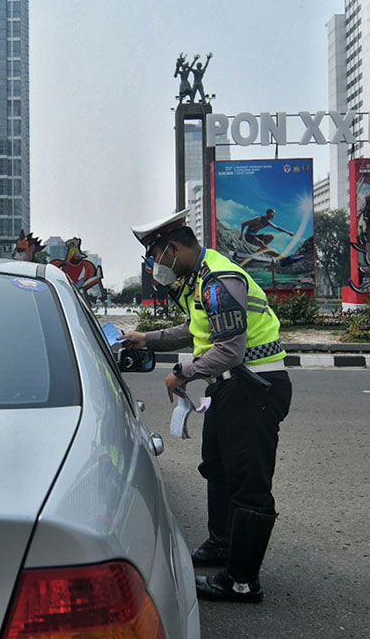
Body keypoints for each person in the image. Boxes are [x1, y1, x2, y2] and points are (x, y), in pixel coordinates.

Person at [119, 209, 292, 603]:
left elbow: (231, 349)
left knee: (248, 483)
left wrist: (183, 372)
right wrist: (148, 338)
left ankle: (242, 581)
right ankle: (222, 546)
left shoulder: (218, 279)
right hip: (230, 389)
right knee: (219, 469)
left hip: (255, 388)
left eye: (155, 256)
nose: (153, 265)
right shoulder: (200, 280)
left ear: (174, 248)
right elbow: (197, 328)